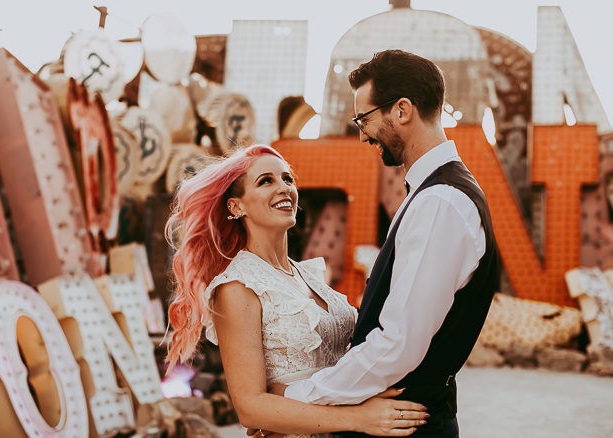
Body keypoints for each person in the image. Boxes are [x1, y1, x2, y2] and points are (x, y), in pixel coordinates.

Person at [274, 50, 501, 438]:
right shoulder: (433, 194)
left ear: (401, 110)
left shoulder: (439, 202)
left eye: (364, 118)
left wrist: (297, 400)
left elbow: (397, 345)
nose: (362, 134)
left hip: (407, 427)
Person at [165, 144, 429, 437]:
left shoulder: (308, 274)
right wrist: (358, 418)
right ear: (236, 206)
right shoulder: (238, 287)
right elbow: (250, 408)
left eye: (287, 179)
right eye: (266, 181)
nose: (284, 188)